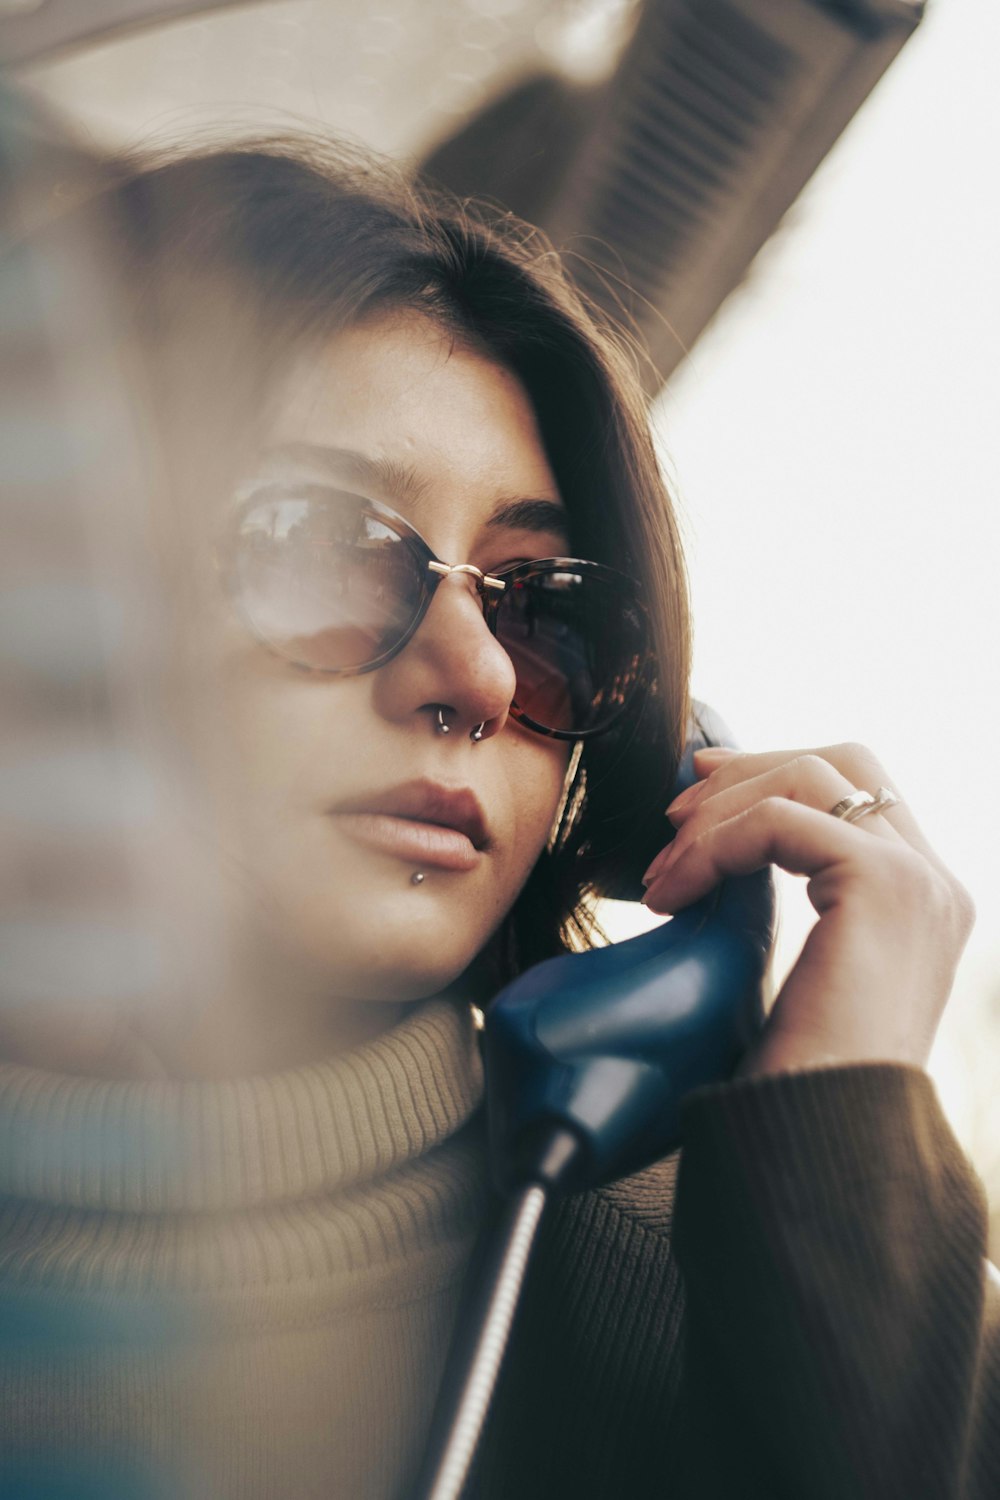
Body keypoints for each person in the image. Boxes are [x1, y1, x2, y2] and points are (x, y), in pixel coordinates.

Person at [0, 135, 997, 1500]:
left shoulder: (817, 1341)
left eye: (547, 608)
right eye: (321, 549)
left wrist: (838, 1180)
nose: (474, 675)